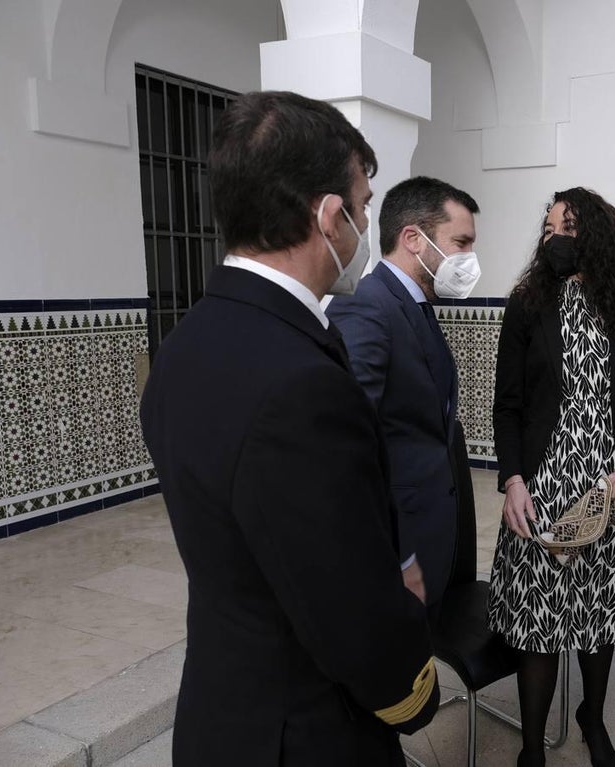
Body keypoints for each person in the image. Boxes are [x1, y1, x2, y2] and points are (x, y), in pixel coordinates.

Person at [139, 91, 438, 766]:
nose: (366, 223)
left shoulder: (182, 346)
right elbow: (349, 615)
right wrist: (413, 682)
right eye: (363, 207)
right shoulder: (298, 385)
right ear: (328, 217)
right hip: (301, 731)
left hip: (222, 708)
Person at [489, 188, 615, 767]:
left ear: (596, 235)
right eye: (547, 229)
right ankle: (532, 747)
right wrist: (511, 479)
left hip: (607, 492)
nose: (553, 237)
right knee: (539, 621)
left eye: (565, 226)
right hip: (538, 490)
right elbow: (506, 405)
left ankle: (593, 717)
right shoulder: (525, 304)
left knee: (596, 617)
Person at [326, 176, 481, 619]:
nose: (469, 259)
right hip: (399, 540)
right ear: (413, 238)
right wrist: (397, 553)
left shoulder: (414, 303)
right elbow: (350, 442)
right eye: (461, 243)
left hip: (430, 528)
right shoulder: (368, 306)